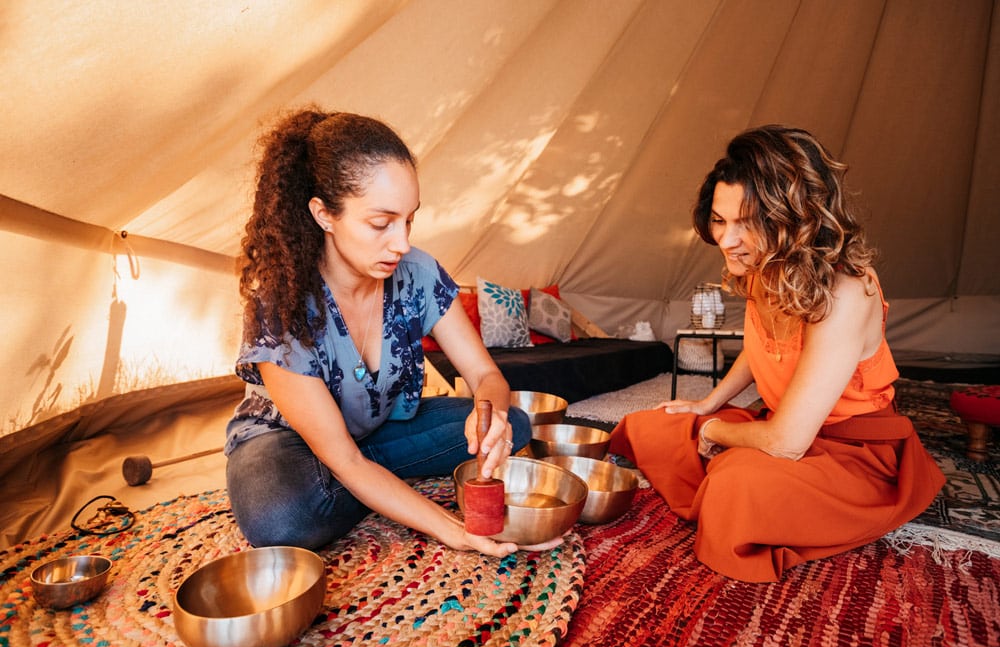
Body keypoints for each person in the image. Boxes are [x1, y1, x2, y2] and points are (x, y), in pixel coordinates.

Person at [609, 125, 945, 582]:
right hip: (784, 425)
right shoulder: (761, 266)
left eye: (748, 222)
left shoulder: (847, 290)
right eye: (720, 220)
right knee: (649, 426)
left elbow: (787, 443)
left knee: (734, 490)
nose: (727, 241)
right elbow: (763, 343)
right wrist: (708, 403)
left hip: (852, 453)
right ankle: (728, 460)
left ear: (797, 217)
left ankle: (737, 475)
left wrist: (715, 429)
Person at [224, 108, 559, 558]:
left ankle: (369, 485)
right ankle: (375, 485)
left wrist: (490, 417)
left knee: (515, 423)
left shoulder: (418, 273)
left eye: (409, 221)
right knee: (281, 519)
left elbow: (486, 376)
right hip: (286, 443)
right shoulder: (281, 304)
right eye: (381, 224)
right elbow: (341, 456)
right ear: (324, 214)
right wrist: (451, 528)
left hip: (376, 436)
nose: (401, 243)